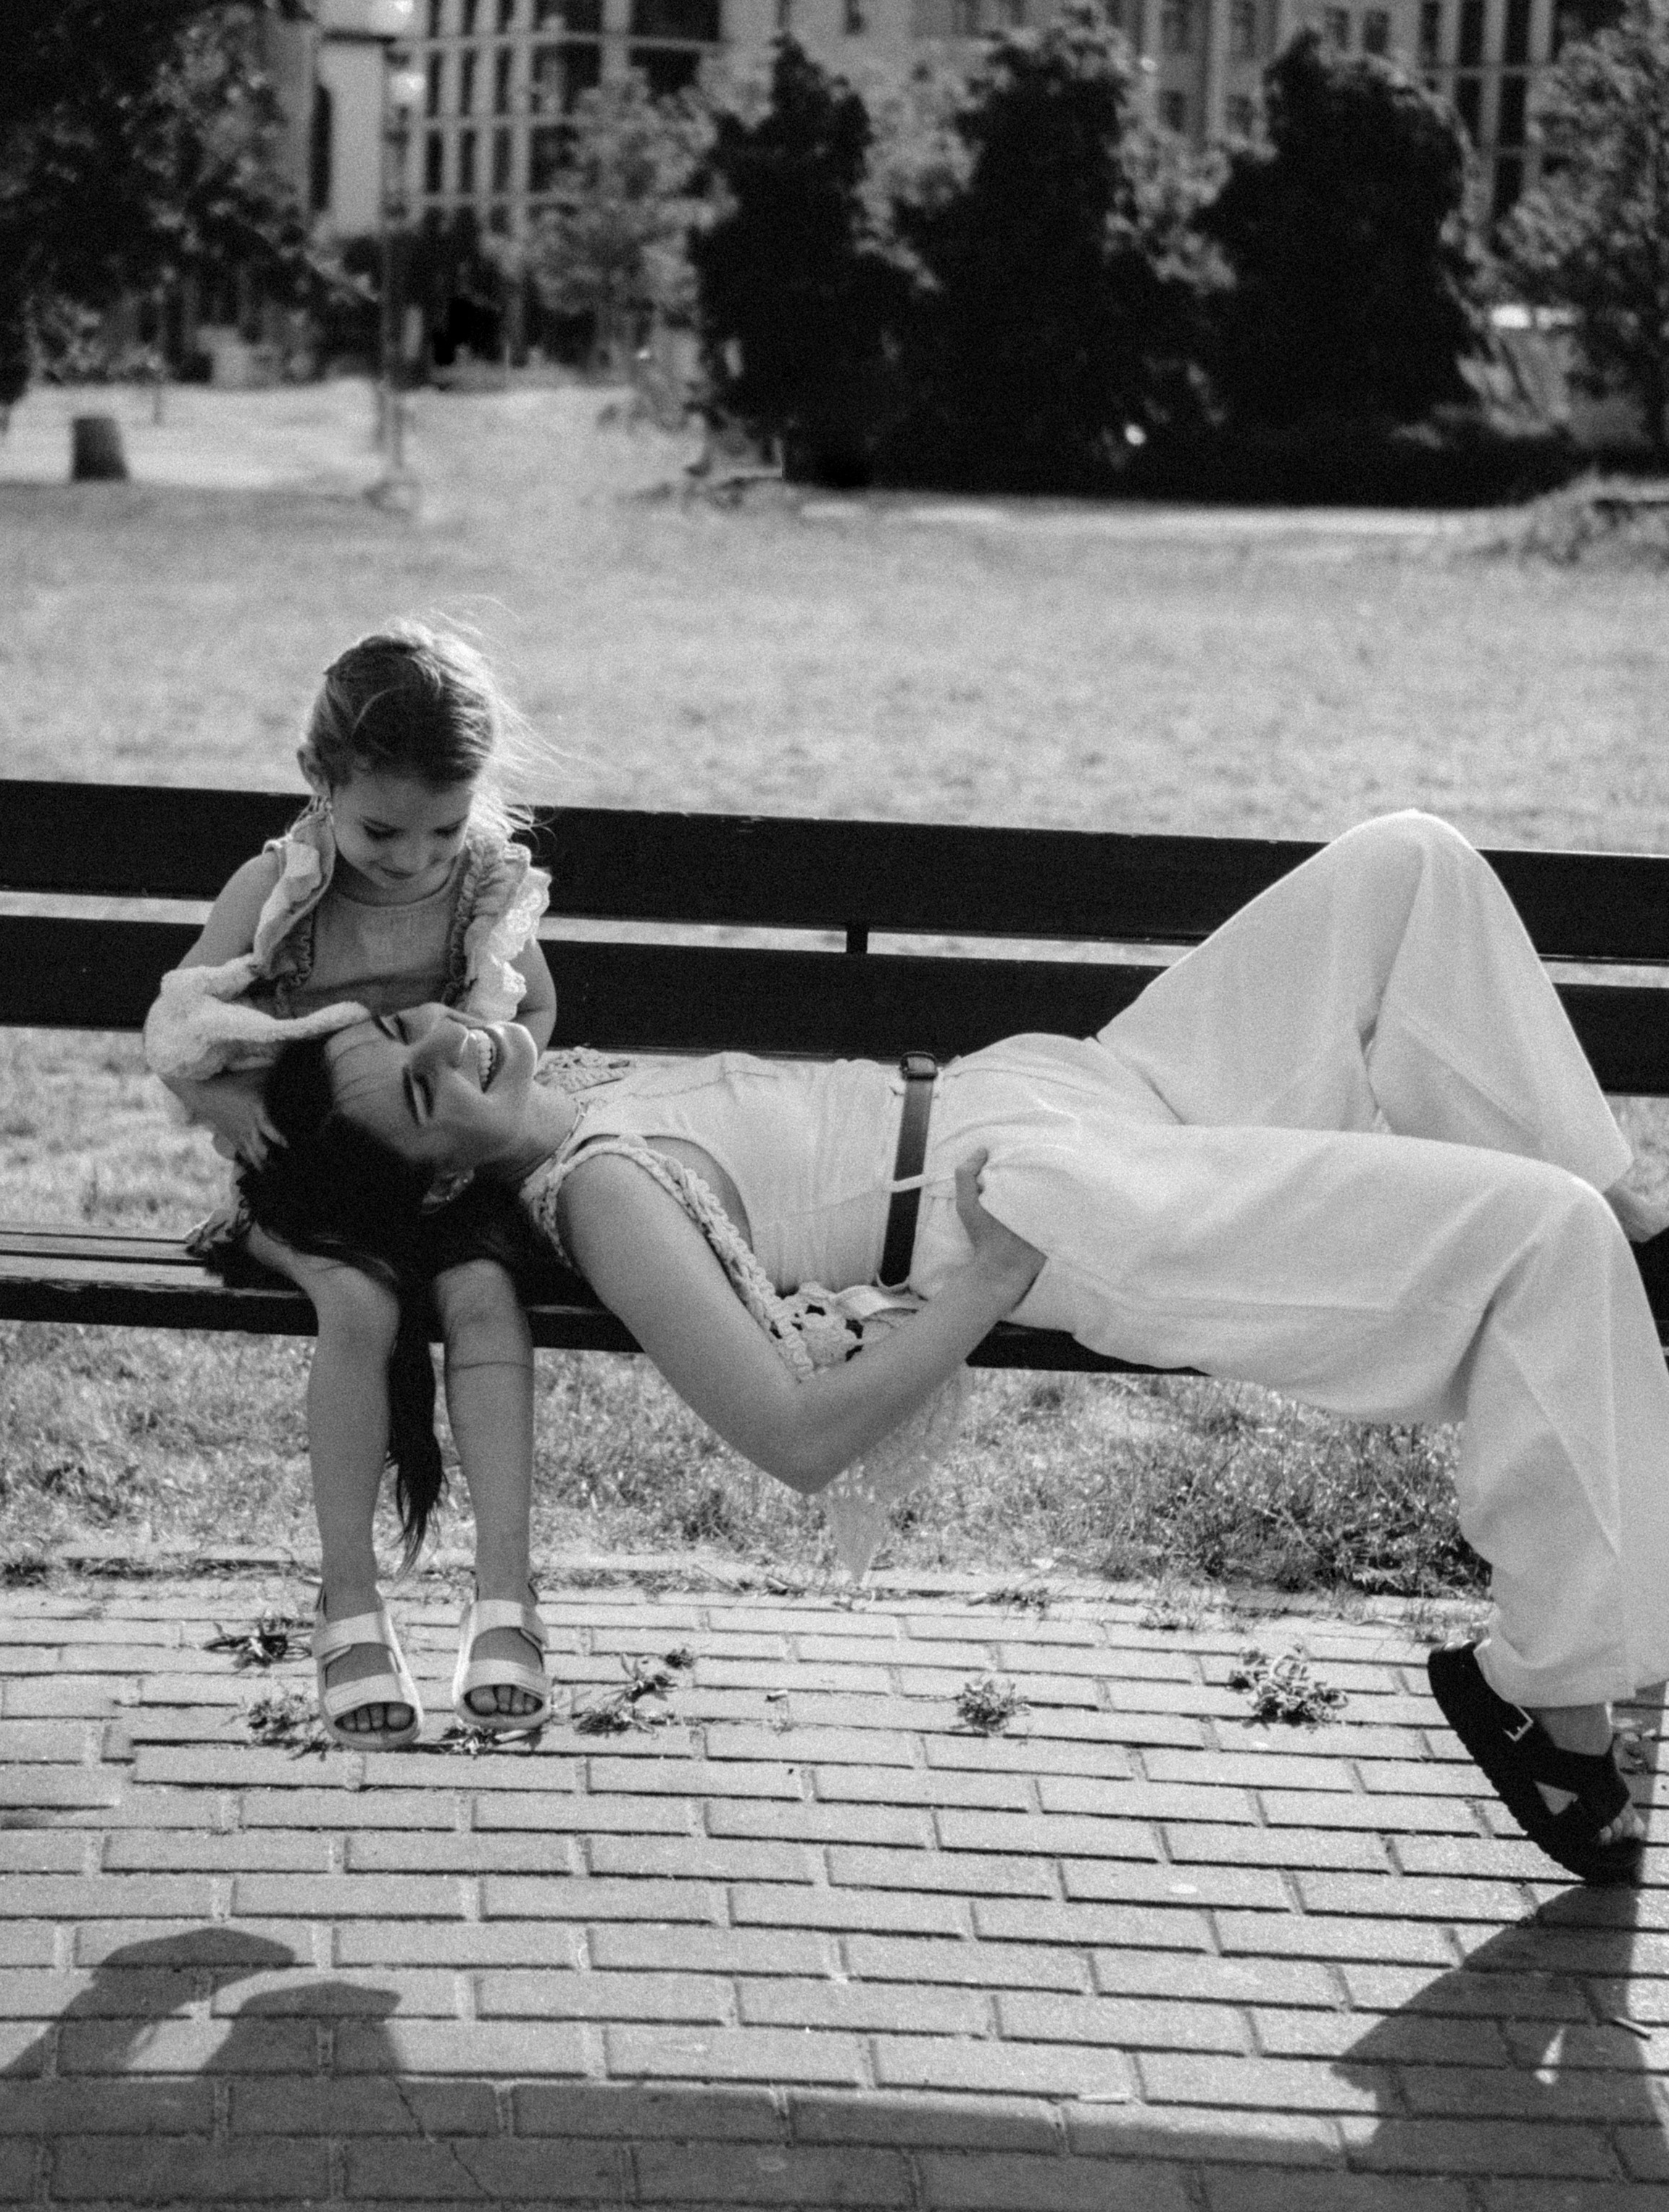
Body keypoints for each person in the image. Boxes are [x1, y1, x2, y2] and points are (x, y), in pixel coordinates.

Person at [255, 811, 1669, 1885]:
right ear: (446, 1178)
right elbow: (794, 1436)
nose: (445, 1048)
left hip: (1078, 1080)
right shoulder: (604, 1191)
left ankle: (1640, 1238)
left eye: (409, 1025)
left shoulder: (571, 1074)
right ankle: (1546, 1693)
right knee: (1536, 1239)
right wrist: (994, 1268)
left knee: (1409, 866)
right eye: (423, 1094)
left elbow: (435, 875)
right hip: (1053, 1197)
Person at [143, 624, 554, 1748]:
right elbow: (179, 1026)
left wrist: (487, 1067)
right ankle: (349, 1601)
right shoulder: (277, 887)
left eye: (442, 829)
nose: (414, 859)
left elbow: (533, 1005)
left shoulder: (481, 886)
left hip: (437, 1165)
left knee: (486, 1297)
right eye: (382, 830)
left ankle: (506, 1596)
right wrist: (231, 1108)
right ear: (318, 781)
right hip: (307, 1172)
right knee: (360, 1302)